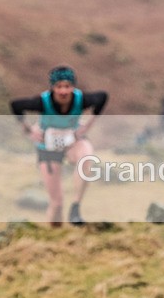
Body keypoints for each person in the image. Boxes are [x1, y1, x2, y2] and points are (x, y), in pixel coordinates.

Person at [10, 65, 108, 227]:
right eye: (59, 87)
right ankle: (54, 234)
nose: (63, 91)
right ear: (52, 87)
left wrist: (88, 125)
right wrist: (28, 130)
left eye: (67, 86)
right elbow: (15, 105)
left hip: (72, 142)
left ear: (73, 87)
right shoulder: (42, 102)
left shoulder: (81, 99)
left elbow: (103, 97)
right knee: (57, 203)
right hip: (48, 148)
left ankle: (75, 207)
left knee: (87, 158)